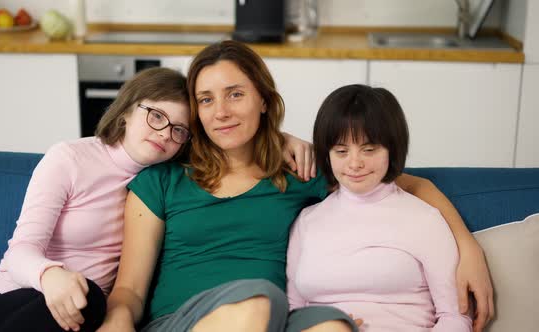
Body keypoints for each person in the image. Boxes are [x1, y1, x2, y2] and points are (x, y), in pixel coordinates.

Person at [98, 41, 492, 332]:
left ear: (264, 101)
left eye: (235, 94)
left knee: (332, 326)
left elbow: (409, 183)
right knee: (256, 299)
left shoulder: (301, 172)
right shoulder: (161, 181)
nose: (221, 112)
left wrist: (468, 247)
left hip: (277, 320)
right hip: (181, 322)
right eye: (205, 100)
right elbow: (129, 290)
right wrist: (116, 323)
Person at [0, 67, 192, 332]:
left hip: (83, 315)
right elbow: (19, 252)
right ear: (127, 110)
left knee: (90, 300)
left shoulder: (164, 185)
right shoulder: (70, 158)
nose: (165, 133)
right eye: (156, 116)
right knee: (88, 298)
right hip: (11, 303)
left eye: (179, 130)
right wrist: (51, 276)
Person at [287, 84, 473, 331]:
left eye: (369, 149)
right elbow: (292, 311)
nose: (355, 163)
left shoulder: (424, 219)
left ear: (392, 149)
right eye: (341, 151)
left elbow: (455, 316)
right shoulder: (307, 221)